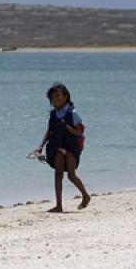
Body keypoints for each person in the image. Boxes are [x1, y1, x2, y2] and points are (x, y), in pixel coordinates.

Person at [33, 83, 91, 212]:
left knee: (71, 175)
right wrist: (40, 147)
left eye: (58, 96)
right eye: (53, 97)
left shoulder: (73, 113)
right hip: (57, 146)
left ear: (66, 96)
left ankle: (85, 195)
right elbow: (49, 131)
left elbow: (81, 131)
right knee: (58, 174)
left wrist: (71, 130)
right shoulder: (54, 115)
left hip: (71, 147)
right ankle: (59, 205)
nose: (56, 99)